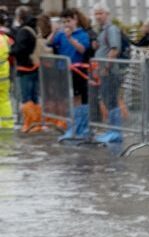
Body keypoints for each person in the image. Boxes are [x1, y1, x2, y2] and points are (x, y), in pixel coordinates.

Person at [49, 8, 92, 141]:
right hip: (63, 70)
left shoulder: (82, 33)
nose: (66, 24)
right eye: (64, 21)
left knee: (77, 99)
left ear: (75, 20)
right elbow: (49, 43)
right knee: (68, 99)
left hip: (77, 71)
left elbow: (82, 49)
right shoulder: (60, 34)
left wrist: (70, 38)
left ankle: (80, 129)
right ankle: (71, 127)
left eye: (69, 21)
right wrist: (54, 31)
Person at [92, 3, 124, 144]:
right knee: (108, 100)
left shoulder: (112, 30)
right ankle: (112, 130)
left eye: (101, 13)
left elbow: (114, 49)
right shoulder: (102, 31)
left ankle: (115, 132)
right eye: (96, 14)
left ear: (107, 14)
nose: (98, 16)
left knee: (111, 101)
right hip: (104, 71)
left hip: (110, 72)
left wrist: (106, 67)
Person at [11, 7, 42, 132]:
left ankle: (30, 123)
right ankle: (37, 123)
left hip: (25, 67)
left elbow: (20, 49)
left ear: (19, 17)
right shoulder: (34, 27)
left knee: (26, 98)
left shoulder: (23, 31)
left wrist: (12, 50)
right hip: (35, 65)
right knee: (34, 97)